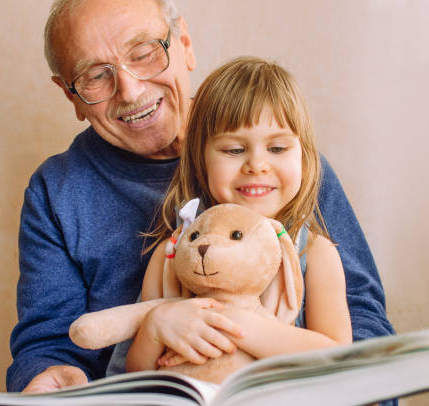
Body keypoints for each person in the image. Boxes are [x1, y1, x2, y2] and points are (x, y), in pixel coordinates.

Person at [7, 0, 394, 394]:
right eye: (95, 76)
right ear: (69, 94)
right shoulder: (61, 194)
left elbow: (361, 321)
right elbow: (53, 345)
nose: (130, 89)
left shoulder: (287, 172)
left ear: (185, 43)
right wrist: (50, 379)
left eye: (143, 54)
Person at [125, 56, 353, 373]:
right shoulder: (174, 254)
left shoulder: (313, 254)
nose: (256, 165)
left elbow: (339, 360)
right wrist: (155, 327)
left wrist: (238, 324)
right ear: (199, 159)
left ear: (304, 156)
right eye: (234, 150)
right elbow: (134, 377)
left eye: (277, 148)